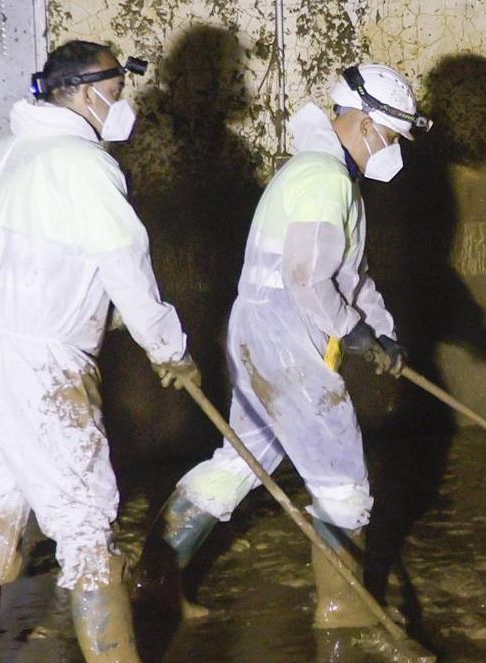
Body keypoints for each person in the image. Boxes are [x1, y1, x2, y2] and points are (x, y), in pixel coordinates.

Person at [0, 41, 198, 663]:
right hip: (38, 362)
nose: (121, 103)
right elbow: (126, 265)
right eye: (118, 88)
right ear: (90, 93)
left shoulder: (8, 153)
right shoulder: (82, 164)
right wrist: (169, 348)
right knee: (84, 511)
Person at [142, 64, 423, 628]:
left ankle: (155, 587)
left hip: (262, 329)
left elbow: (351, 276)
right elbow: (308, 278)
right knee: (342, 479)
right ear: (366, 122)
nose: (392, 148)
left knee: (242, 459)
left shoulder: (324, 175)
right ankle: (344, 614)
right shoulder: (325, 179)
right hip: (287, 334)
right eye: (391, 135)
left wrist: (382, 329)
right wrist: (353, 331)